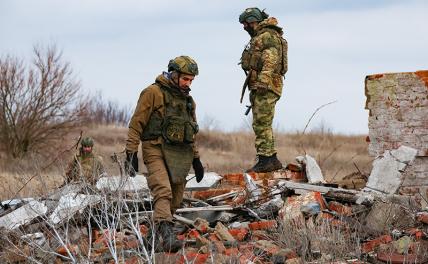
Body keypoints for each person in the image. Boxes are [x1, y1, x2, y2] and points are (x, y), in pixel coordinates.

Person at [124, 55, 204, 252]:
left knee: (176, 199)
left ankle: (151, 237)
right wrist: (131, 153)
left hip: (179, 153)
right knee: (163, 191)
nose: (188, 83)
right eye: (185, 79)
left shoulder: (188, 102)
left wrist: (196, 159)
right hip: (155, 148)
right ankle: (168, 238)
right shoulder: (153, 93)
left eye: (191, 80)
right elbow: (136, 124)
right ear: (174, 75)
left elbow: (191, 132)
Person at [239, 7, 288, 173]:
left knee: (261, 123)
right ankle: (271, 159)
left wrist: (263, 82)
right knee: (263, 123)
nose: (244, 27)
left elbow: (270, 59)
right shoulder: (265, 35)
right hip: (265, 85)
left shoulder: (266, 36)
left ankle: (266, 160)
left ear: (253, 21)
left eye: (245, 24)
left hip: (266, 86)